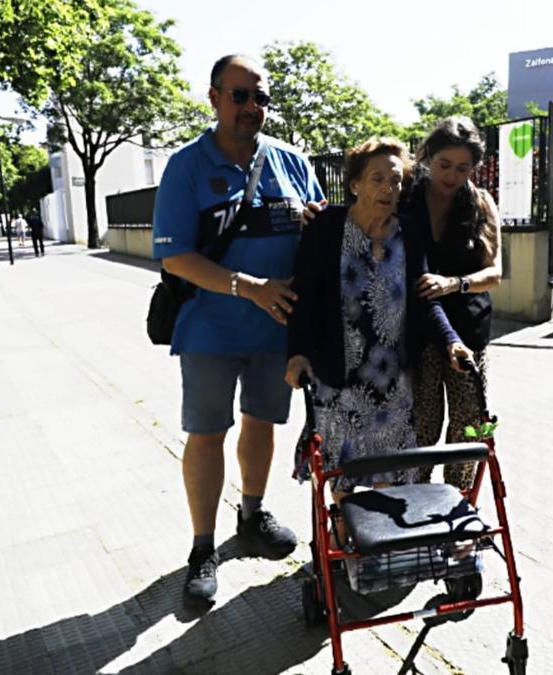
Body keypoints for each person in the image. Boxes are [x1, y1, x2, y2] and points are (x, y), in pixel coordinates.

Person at [152, 54, 325, 604]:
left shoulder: (292, 162)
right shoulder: (185, 166)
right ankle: (202, 549)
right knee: (207, 435)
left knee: (262, 424)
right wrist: (247, 286)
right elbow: (175, 256)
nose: (253, 107)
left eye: (261, 97)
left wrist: (317, 227)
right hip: (210, 328)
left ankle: (251, 517)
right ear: (214, 98)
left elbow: (317, 236)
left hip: (277, 330)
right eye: (240, 96)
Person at [284, 138, 473, 516]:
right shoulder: (325, 227)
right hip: (337, 380)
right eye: (378, 179)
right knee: (343, 475)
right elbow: (303, 297)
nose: (389, 188)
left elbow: (424, 298)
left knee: (389, 479)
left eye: (397, 180)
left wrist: (452, 341)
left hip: (392, 382)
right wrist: (297, 354)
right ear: (355, 184)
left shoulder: (410, 232)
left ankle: (376, 558)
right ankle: (344, 549)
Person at [398, 118, 502, 491]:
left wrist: (453, 284)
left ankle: (456, 509)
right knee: (421, 423)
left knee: (467, 425)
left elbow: (494, 273)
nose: (452, 176)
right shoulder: (405, 195)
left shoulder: (480, 202)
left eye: (463, 168)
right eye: (444, 165)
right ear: (428, 157)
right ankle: (411, 504)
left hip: (468, 333)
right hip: (418, 328)